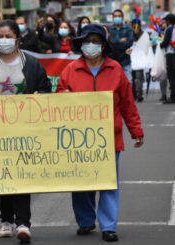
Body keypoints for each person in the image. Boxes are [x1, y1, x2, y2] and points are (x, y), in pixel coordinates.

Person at [56, 24, 144, 242]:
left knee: (108, 182)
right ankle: (85, 222)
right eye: (87, 40)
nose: (91, 45)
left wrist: (136, 130)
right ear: (81, 44)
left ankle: (108, 226)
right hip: (77, 139)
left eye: (96, 41)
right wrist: (63, 95)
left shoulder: (115, 70)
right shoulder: (70, 70)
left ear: (104, 45)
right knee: (81, 183)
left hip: (109, 138)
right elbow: (57, 99)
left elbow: (127, 104)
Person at [0, 19, 51, 243]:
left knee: (22, 175)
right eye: (0, 35)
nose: (3, 40)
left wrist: (39, 97)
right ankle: (6, 220)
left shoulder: (31, 64)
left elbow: (45, 88)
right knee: (3, 175)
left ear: (17, 38)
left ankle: (23, 223)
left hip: (25, 130)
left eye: (8, 36)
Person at [108, 9, 134, 82]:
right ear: (112, 18)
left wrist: (115, 43)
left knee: (128, 83)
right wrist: (120, 41)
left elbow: (129, 43)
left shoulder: (128, 29)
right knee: (113, 84)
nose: (117, 17)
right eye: (115, 16)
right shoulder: (109, 29)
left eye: (119, 16)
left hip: (125, 61)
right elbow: (110, 43)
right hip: (113, 62)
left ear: (122, 17)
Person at [129, 19, 145, 102]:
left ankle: (139, 95)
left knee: (139, 77)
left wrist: (137, 35)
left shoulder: (142, 34)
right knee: (132, 78)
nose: (135, 27)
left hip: (139, 59)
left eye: (136, 25)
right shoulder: (129, 33)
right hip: (130, 59)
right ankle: (133, 95)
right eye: (133, 25)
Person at [160, 13, 175, 104]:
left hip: (171, 55)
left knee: (172, 76)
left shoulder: (169, 29)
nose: (165, 21)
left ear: (169, 21)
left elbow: (166, 41)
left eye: (166, 20)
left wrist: (160, 45)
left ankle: (173, 97)